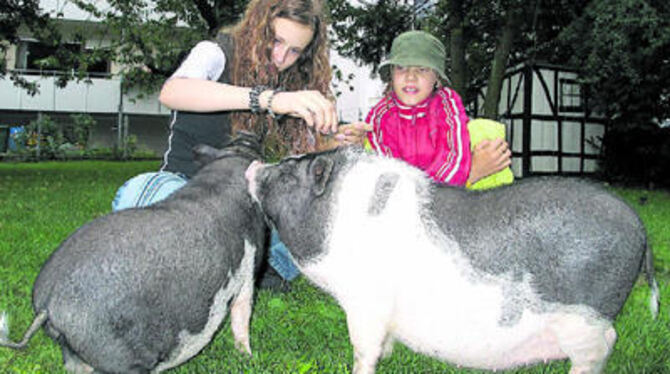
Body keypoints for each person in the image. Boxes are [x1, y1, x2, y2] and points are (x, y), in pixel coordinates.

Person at [112, 0, 338, 290]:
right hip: (184, 191)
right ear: (258, 27)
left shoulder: (291, 85)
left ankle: (248, 267)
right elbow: (173, 91)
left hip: (243, 204)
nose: (281, 56)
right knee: (138, 193)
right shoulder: (215, 52)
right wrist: (267, 99)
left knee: (317, 213)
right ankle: (233, 262)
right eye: (275, 40)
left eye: (294, 51)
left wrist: (334, 137)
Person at [340, 30, 513, 188]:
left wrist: (466, 173)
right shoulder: (380, 117)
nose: (410, 77)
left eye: (422, 69)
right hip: (409, 205)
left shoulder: (447, 103)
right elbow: (389, 183)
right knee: (365, 146)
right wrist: (474, 172)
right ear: (391, 75)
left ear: (436, 78)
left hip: (457, 203)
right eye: (401, 67)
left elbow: (454, 160)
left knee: (483, 131)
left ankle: (497, 214)